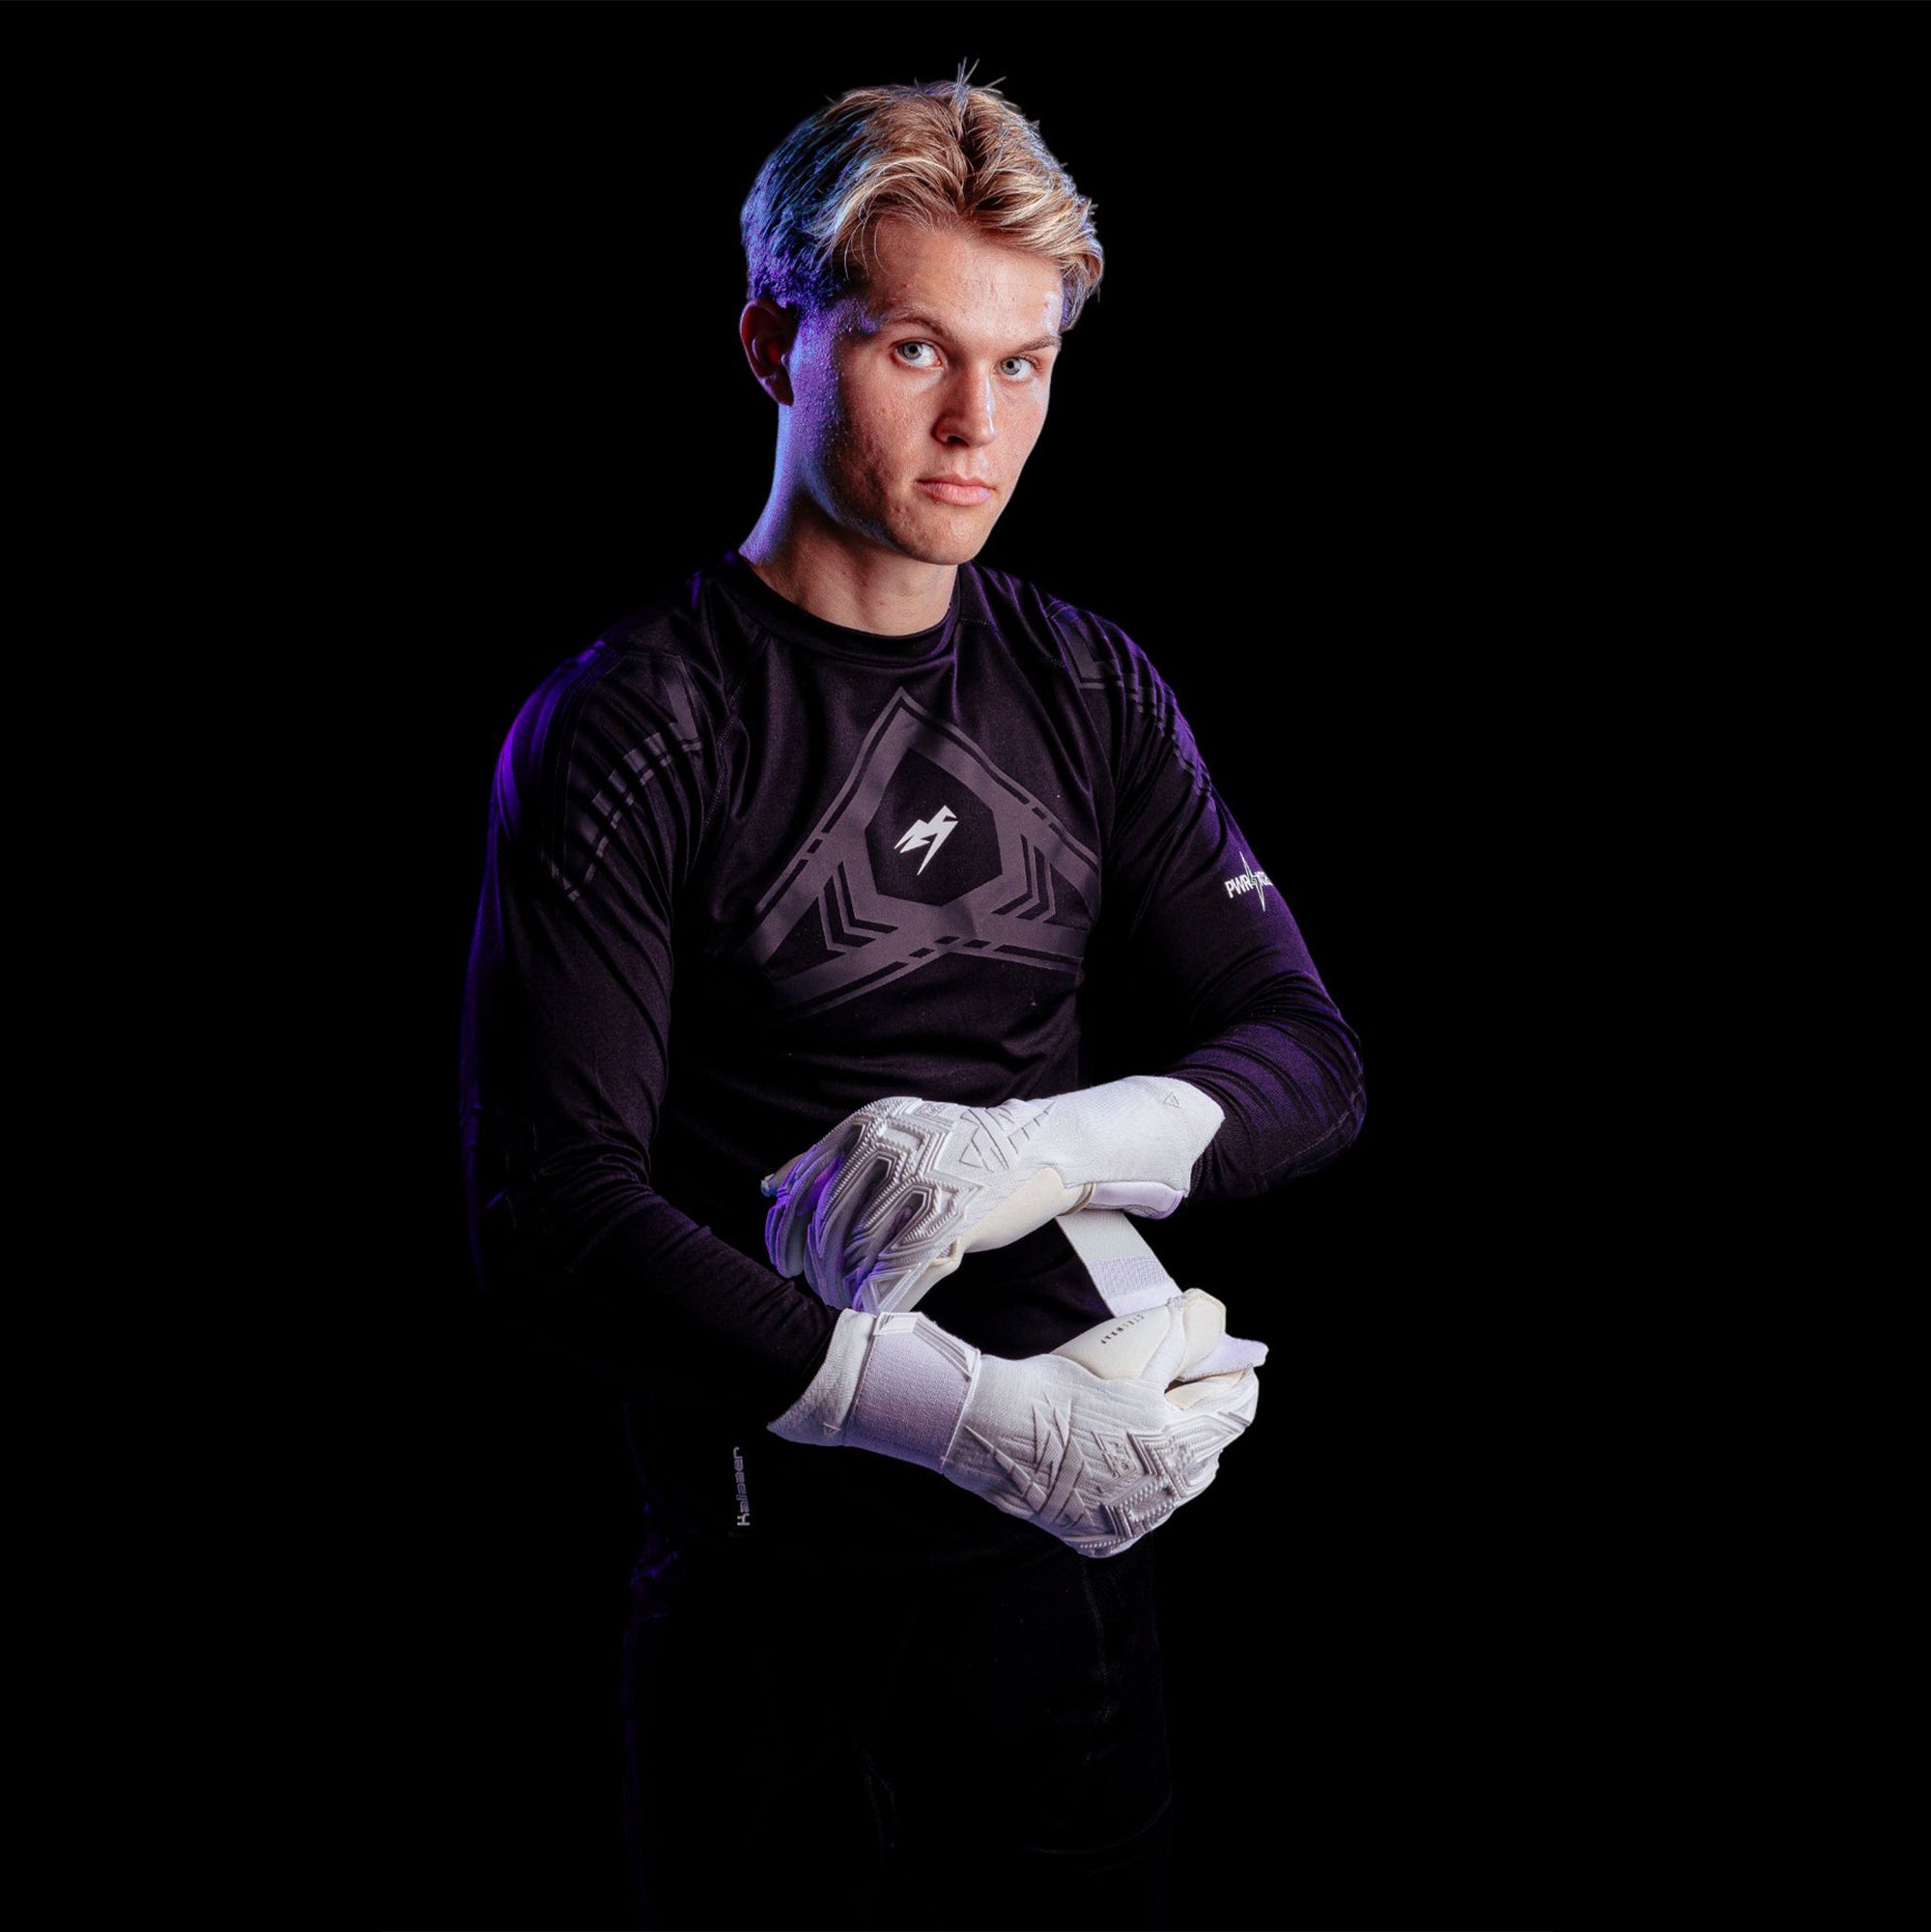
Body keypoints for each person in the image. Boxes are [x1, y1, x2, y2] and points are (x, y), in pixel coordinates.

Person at [459, 69, 1365, 1932]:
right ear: (774, 344)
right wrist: (959, 1414)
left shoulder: (1088, 687)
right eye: (915, 351)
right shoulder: (636, 726)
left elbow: (1309, 1056)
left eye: (1025, 364)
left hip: (1066, 1589)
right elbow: (551, 1212)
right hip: (764, 1608)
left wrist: (1049, 1147)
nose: (978, 425)